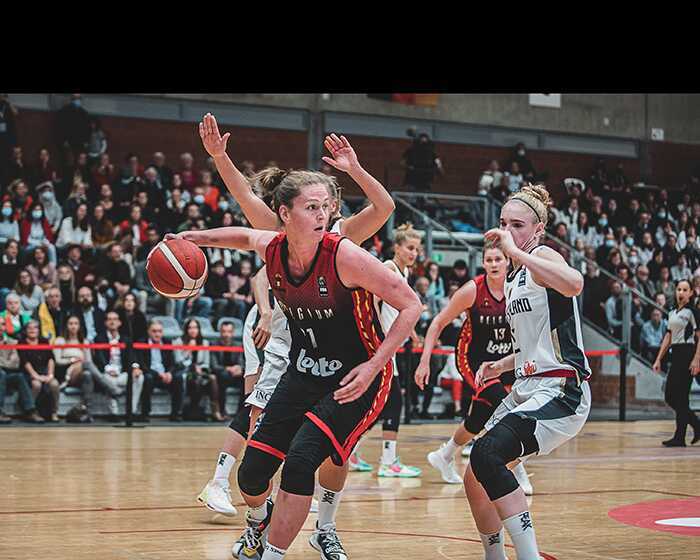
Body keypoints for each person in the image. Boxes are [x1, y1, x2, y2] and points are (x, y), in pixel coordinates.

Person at [173, 169, 421, 560]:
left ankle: (288, 546)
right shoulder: (274, 249)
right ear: (285, 214)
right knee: (252, 474)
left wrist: (374, 365)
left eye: (325, 207)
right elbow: (244, 236)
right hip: (303, 372)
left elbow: (411, 304)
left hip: (354, 378)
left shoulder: (345, 254)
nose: (322, 215)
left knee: (302, 462)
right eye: (311, 207)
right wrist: (195, 238)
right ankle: (259, 522)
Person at [465, 184, 591, 560]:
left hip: (562, 389)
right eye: (504, 223)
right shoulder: (514, 277)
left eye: (517, 225)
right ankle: (495, 555)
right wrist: (500, 365)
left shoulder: (542, 255)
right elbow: (532, 344)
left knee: (488, 453)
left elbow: (575, 283)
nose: (507, 231)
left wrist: (518, 251)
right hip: (527, 383)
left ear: (538, 229)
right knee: (474, 473)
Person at [416, 243, 531, 494]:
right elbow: (437, 323)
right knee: (507, 407)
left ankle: (444, 455)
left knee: (478, 418)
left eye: (498, 259)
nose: (493, 264)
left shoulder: (517, 288)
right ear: (483, 263)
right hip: (474, 361)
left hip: (506, 360)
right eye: (489, 260)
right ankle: (517, 469)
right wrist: (424, 361)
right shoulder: (472, 290)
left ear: (508, 261)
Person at [363, 224, 423, 478]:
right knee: (393, 401)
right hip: (382, 347)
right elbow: (371, 302)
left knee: (373, 403)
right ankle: (388, 462)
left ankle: (350, 452)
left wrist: (412, 333)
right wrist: (379, 337)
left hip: (390, 346)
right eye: (409, 248)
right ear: (396, 248)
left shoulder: (405, 271)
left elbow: (402, 307)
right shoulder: (388, 268)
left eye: (417, 249)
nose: (414, 253)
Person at [652, 279, 700, 447]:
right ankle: (696, 425)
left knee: (681, 396)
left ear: (691, 293)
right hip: (676, 354)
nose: (681, 292)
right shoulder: (672, 312)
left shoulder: (693, 312)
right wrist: (658, 359)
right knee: (670, 396)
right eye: (679, 289)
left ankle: (680, 437)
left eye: (685, 290)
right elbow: (668, 336)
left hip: (688, 353)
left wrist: (696, 359)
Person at [92, 311, 144, 419]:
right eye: (109, 319)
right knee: (107, 381)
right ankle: (113, 413)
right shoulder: (99, 338)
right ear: (105, 323)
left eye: (115, 319)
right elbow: (99, 358)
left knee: (139, 377)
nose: (112, 322)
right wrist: (108, 369)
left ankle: (131, 411)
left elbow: (132, 356)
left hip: (122, 373)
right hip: (107, 374)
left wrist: (135, 367)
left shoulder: (126, 339)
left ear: (119, 322)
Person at [137, 319, 186, 422]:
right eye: (154, 331)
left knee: (178, 378)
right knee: (147, 378)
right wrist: (158, 374)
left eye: (159, 331)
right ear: (148, 332)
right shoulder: (142, 343)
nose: (157, 334)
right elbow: (142, 365)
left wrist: (169, 373)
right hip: (152, 375)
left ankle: (176, 413)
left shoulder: (167, 342)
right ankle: (145, 413)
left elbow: (173, 363)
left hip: (165, 375)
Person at [0, 318, 44, 423]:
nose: (0, 327)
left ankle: (30, 411)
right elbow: (9, 363)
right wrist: (6, 361)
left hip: (7, 375)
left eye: (2, 324)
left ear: (5, 327)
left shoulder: (12, 342)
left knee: (19, 376)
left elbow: (14, 363)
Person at [19, 320, 60, 422]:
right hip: (28, 372)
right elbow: (25, 362)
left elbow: (51, 359)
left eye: (35, 327)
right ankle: (31, 411)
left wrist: (50, 374)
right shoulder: (22, 342)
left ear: (39, 330)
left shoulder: (44, 341)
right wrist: (36, 376)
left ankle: (54, 412)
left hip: (44, 370)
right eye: (29, 328)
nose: (32, 330)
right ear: (25, 330)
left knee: (54, 384)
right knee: (37, 384)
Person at [181, 318, 221, 421]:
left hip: (201, 372)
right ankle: (195, 408)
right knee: (195, 380)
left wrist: (200, 369)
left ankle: (215, 410)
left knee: (212, 378)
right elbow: (180, 362)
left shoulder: (205, 343)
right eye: (190, 328)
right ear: (186, 330)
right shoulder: (180, 342)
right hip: (186, 372)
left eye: (195, 328)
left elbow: (206, 363)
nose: (193, 330)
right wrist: (188, 350)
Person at [52, 315, 96, 408]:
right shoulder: (60, 341)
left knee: (87, 374)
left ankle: (85, 406)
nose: (73, 326)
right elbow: (57, 360)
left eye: (76, 324)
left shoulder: (84, 342)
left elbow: (89, 361)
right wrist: (72, 360)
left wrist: (79, 362)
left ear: (79, 326)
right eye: (70, 324)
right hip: (65, 371)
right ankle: (107, 384)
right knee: (85, 365)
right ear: (66, 326)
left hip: (81, 371)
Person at [210, 320, 244, 418]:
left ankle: (240, 412)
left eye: (229, 332)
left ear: (232, 333)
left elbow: (241, 362)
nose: (226, 334)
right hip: (221, 374)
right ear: (220, 332)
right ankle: (222, 411)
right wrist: (228, 368)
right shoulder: (214, 344)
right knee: (223, 376)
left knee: (246, 378)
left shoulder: (238, 345)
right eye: (224, 331)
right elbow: (214, 366)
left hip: (235, 374)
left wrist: (239, 368)